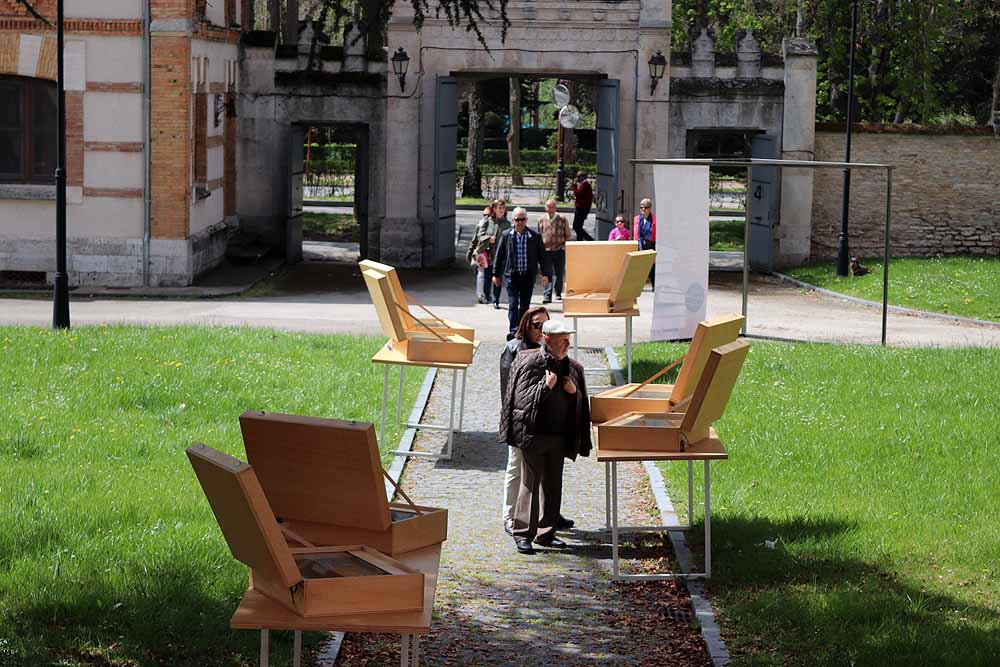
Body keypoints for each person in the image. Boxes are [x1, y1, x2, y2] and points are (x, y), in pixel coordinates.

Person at [499, 319, 591, 554]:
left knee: (553, 486)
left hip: (559, 436)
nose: (567, 343)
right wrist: (545, 386)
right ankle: (523, 534)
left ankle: (546, 532)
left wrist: (574, 393)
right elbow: (521, 403)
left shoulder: (573, 368)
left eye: (569, 338)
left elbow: (582, 406)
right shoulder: (530, 363)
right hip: (533, 435)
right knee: (529, 484)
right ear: (548, 340)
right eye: (563, 339)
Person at [499, 306, 552, 535]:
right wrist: (512, 421)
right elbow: (507, 390)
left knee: (545, 469)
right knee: (516, 467)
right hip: (520, 419)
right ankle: (509, 516)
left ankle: (547, 515)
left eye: (545, 325)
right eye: (537, 325)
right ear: (526, 325)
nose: (541, 330)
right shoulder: (513, 349)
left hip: (544, 419)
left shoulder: (548, 348)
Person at [492, 206, 543, 339]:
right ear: (513, 220)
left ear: (526, 220)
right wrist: (496, 274)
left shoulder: (534, 236)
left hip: (527, 276)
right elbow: (499, 256)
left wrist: (546, 274)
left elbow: (542, 256)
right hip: (512, 276)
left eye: (522, 219)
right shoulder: (506, 235)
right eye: (517, 219)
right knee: (513, 304)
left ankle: (523, 330)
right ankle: (514, 331)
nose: (520, 222)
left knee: (525, 306)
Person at [536, 198, 569, 303]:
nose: (550, 209)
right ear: (545, 208)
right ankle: (547, 295)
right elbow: (539, 234)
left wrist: (564, 245)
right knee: (547, 273)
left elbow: (567, 234)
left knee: (559, 273)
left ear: (555, 207)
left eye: (552, 207)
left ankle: (558, 292)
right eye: (548, 207)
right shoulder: (541, 219)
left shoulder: (562, 218)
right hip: (546, 251)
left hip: (559, 250)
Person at [466, 204, 496, 304]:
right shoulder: (481, 224)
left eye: (488, 214)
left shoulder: (494, 224)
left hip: (490, 252)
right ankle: (481, 295)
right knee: (481, 273)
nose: (486, 217)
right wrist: (470, 252)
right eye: (484, 215)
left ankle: (485, 294)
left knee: (486, 274)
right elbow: (475, 239)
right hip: (481, 251)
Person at [488, 199, 511, 309]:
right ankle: (486, 295)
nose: (501, 210)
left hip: (501, 256)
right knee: (487, 277)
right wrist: (489, 238)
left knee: (498, 277)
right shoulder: (489, 222)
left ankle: (496, 299)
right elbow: (480, 235)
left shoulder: (508, 224)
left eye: (503, 208)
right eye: (499, 208)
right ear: (494, 209)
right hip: (489, 254)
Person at [633, 198, 657, 287]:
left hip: (651, 244)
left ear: (650, 208)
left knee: (652, 266)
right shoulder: (636, 219)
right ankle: (638, 286)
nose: (643, 209)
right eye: (641, 207)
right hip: (640, 244)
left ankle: (654, 286)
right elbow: (636, 234)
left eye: (646, 207)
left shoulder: (654, 219)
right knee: (639, 267)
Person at [570, 171, 594, 241]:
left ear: (583, 177)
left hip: (582, 209)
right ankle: (580, 240)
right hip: (581, 208)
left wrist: (574, 185)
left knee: (576, 226)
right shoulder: (583, 184)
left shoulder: (585, 185)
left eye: (578, 176)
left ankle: (589, 239)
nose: (577, 178)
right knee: (578, 226)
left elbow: (577, 193)